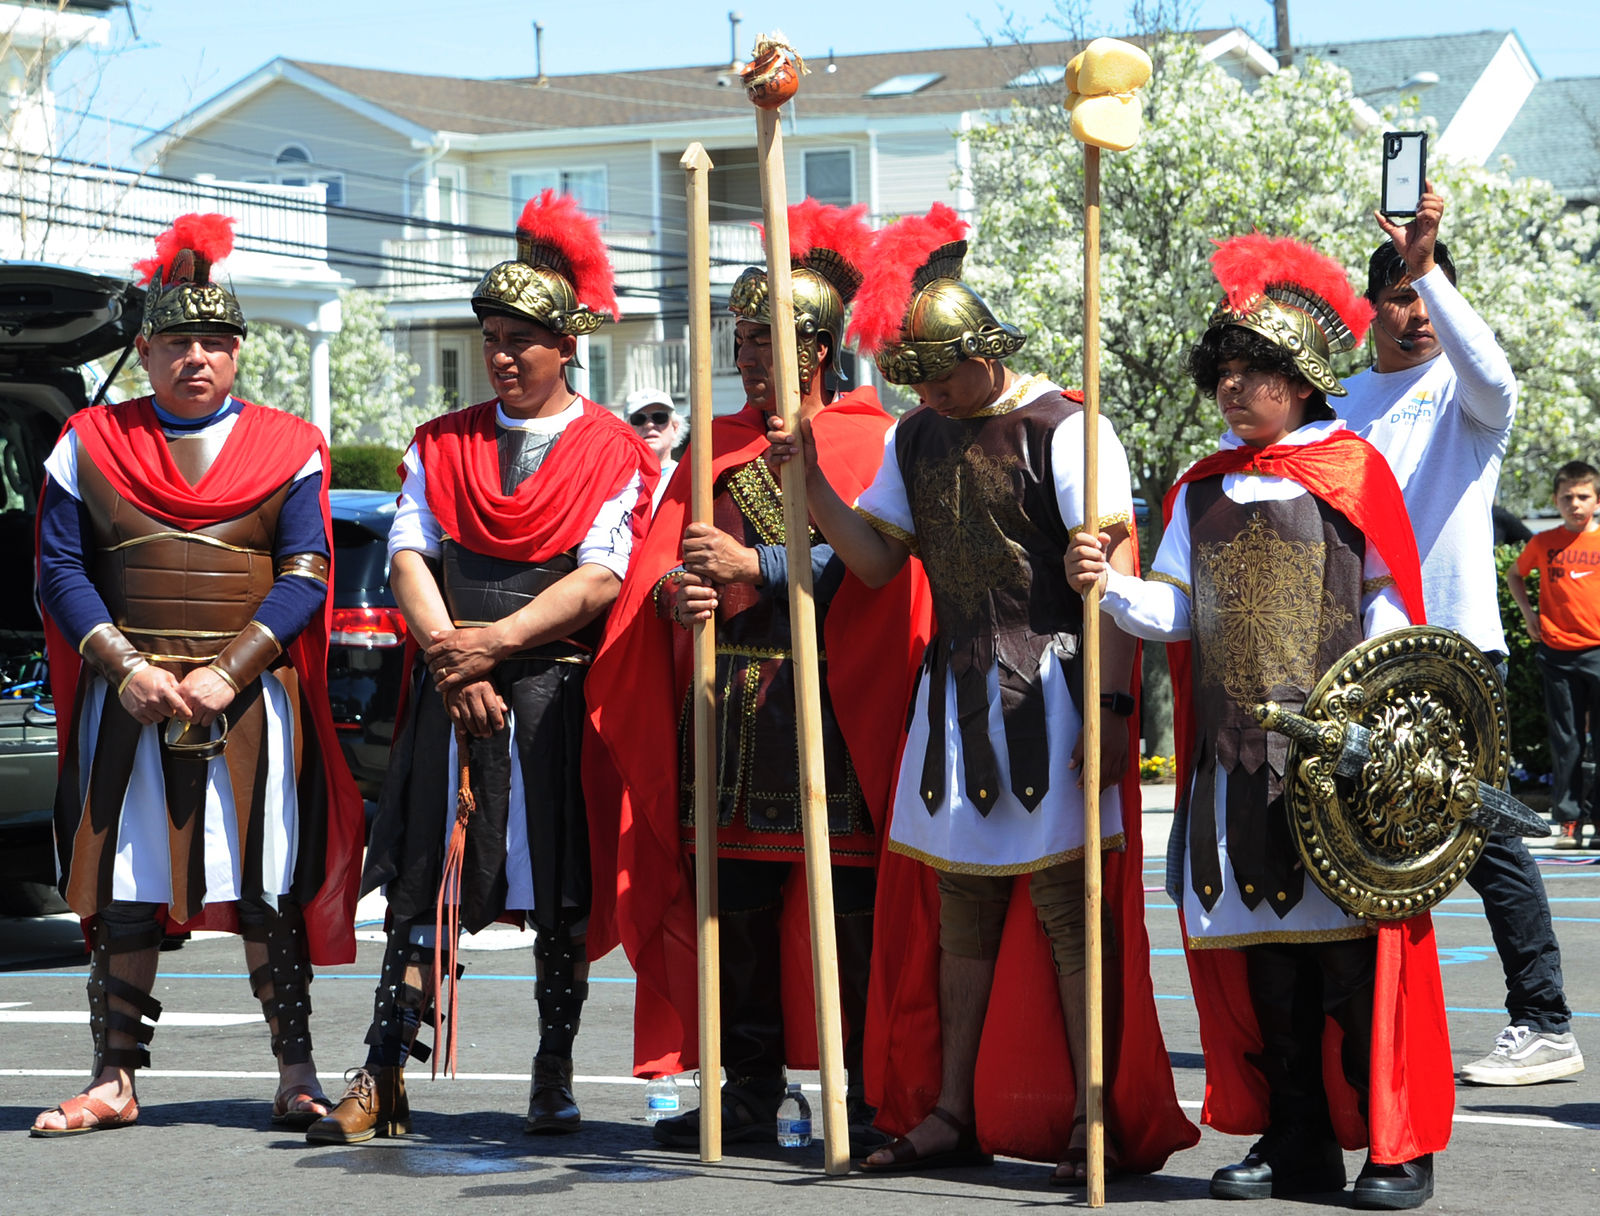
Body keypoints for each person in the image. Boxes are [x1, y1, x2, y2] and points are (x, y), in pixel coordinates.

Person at [770, 203, 1196, 1183]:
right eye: (916, 377)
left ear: (983, 352)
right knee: (960, 912)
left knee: (1065, 909)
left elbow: (1112, 576)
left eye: (941, 372)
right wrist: (815, 491)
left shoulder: (1067, 428)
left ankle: (1093, 1113)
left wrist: (1114, 708)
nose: (929, 391)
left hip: (1050, 693)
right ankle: (952, 1108)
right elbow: (875, 564)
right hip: (957, 698)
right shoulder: (917, 436)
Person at [1068, 233, 1453, 1208]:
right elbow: (1178, 614)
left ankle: (1395, 1151)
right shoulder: (1202, 490)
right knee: (1268, 978)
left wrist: (1377, 736)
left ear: (1302, 378)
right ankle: (1295, 1143)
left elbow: (1390, 620)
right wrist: (1106, 587)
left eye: (1254, 374)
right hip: (1231, 770)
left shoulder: (1352, 474)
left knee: (1347, 973)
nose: (1235, 391)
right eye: (1225, 376)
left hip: (1334, 770)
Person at [305, 192, 657, 1145]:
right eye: (493, 336)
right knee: (423, 886)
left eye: (522, 339)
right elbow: (410, 554)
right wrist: (455, 667)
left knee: (563, 898)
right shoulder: (440, 441)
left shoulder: (614, 450)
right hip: (450, 695)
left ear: (566, 345)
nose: (502, 354)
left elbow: (599, 579)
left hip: (553, 697)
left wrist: (495, 647)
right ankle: (382, 1076)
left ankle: (552, 1075)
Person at [586, 199, 932, 1153]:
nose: (748, 358)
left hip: (840, 701)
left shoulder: (875, 440)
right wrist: (672, 599)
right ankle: (747, 1094)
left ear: (817, 348)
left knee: (852, 911)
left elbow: (873, 564)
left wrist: (761, 568)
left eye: (767, 339)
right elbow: (663, 560)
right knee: (733, 908)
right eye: (740, 339)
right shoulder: (712, 443)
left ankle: (867, 1098)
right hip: (733, 704)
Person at [31, 213, 364, 1136]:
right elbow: (60, 569)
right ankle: (113, 1079)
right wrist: (122, 665)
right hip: (127, 694)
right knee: (127, 884)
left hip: (249, 701)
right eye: (179, 341)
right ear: (146, 351)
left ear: (239, 353)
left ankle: (296, 1073)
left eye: (217, 342)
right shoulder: (88, 442)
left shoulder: (288, 444)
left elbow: (306, 570)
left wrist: (231, 670)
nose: (198, 358)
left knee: (264, 880)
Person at [1340, 185, 1584, 1087]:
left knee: (1482, 840)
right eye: (1397, 297)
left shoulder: (1466, 395)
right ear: (1371, 309)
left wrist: (1429, 264)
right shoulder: (1340, 400)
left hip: (1453, 650)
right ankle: (1380, 1031)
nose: (1413, 315)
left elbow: (1498, 375)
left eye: (1423, 297)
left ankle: (1545, 1020)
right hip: (1363, 658)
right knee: (1365, 847)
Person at [1509, 461, 1600, 848]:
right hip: (1557, 652)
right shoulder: (1544, 543)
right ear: (1556, 501)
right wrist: (1529, 615)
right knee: (1567, 742)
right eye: (1567, 497)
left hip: (1597, 651)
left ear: (1596, 499)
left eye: (1583, 496)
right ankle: (1568, 821)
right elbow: (1515, 574)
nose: (1575, 504)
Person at [624, 387, 683, 511]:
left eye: (659, 417)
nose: (650, 424)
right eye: (639, 419)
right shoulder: (618, 483)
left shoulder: (687, 479)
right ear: (626, 430)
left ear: (675, 428)